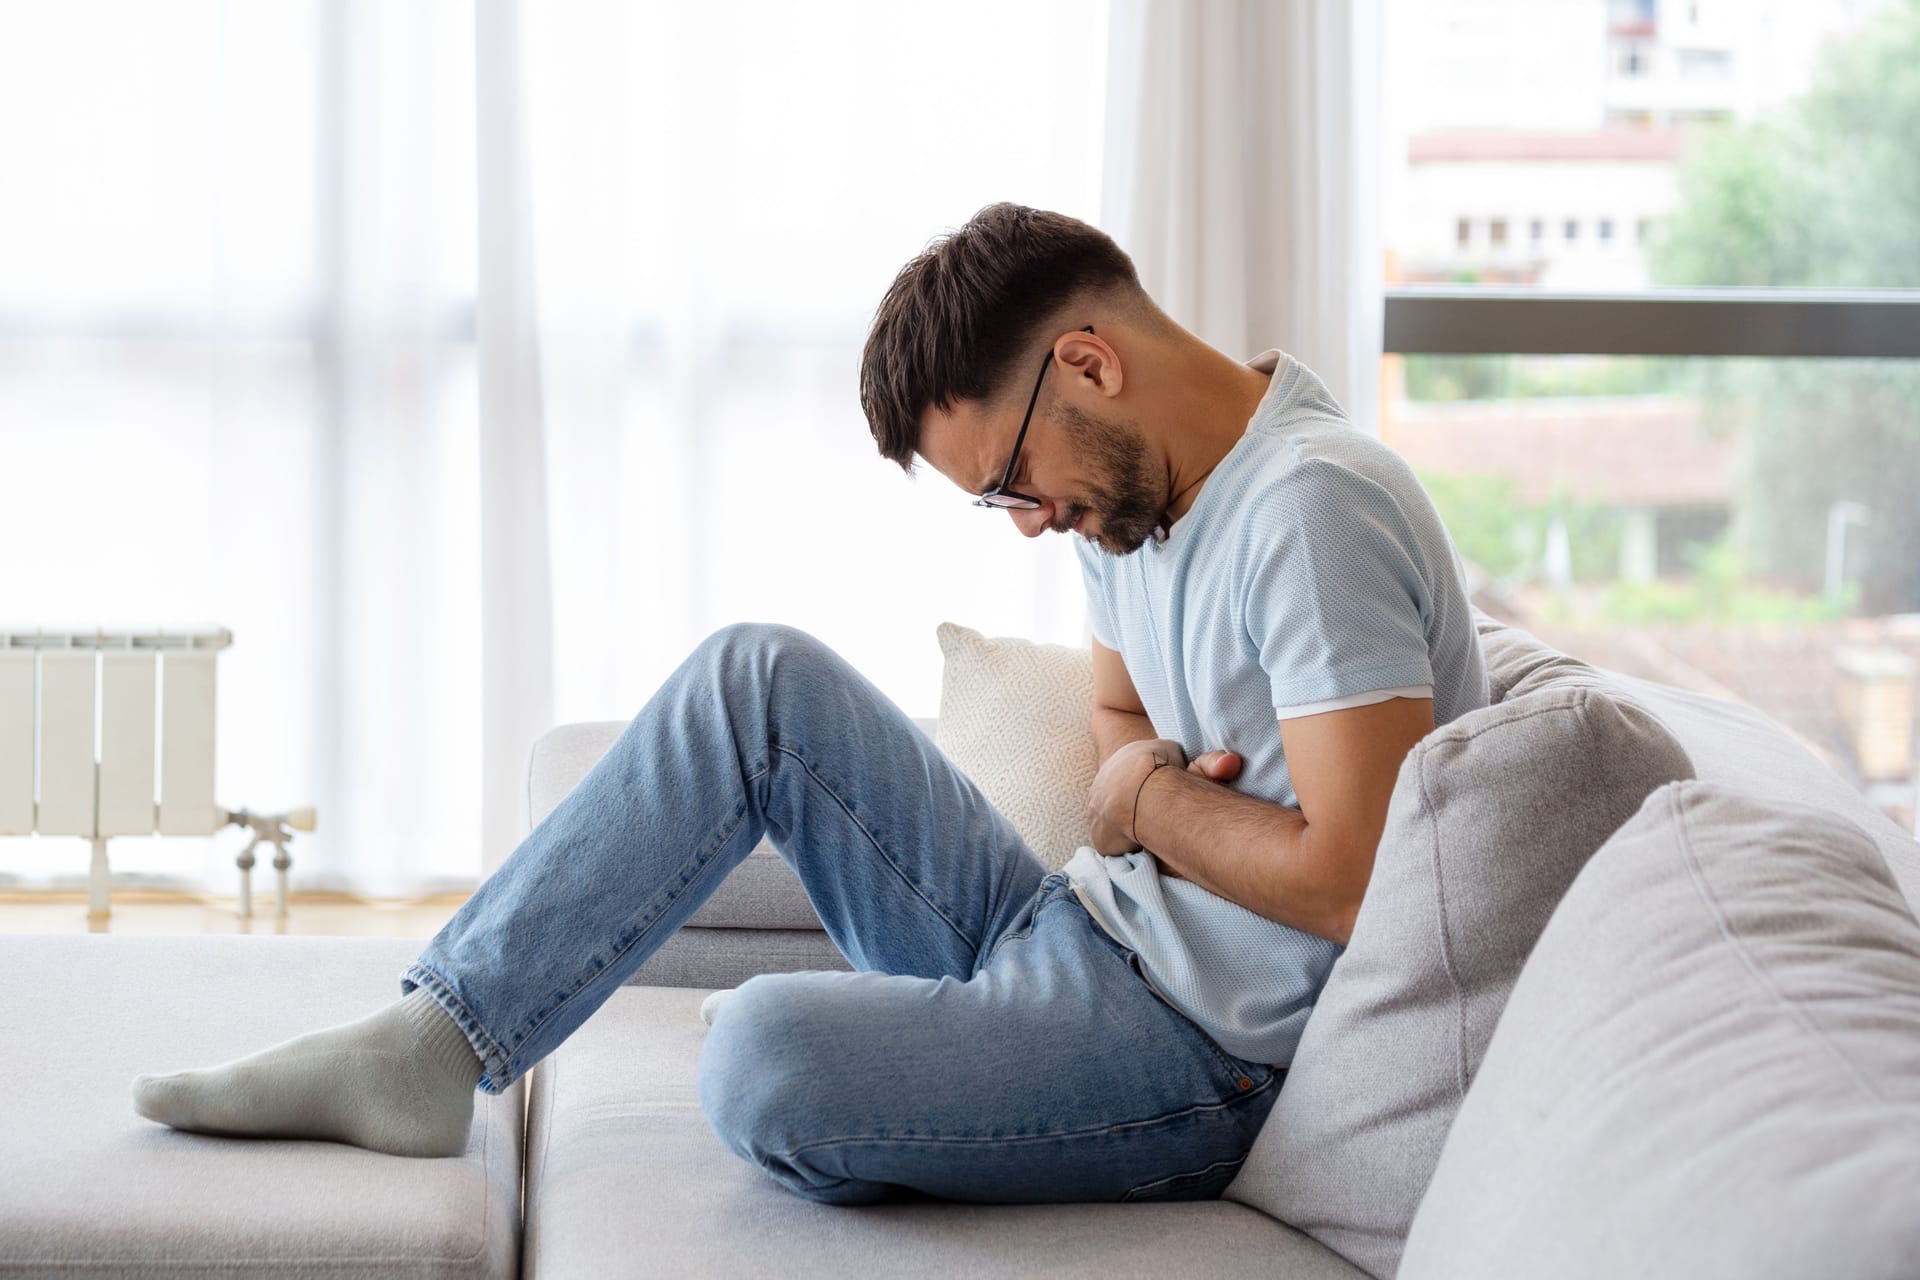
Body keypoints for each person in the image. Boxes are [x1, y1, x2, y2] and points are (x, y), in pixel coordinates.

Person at [131, 203, 1488, 1205]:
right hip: (1078, 934)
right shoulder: (1126, 514)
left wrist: (1149, 804)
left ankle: (892, 1051)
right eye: (995, 503)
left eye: (1012, 481)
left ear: (1088, 362)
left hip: (1200, 1055)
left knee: (764, 1062)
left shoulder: (1310, 511)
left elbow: (1358, 881)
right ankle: (430, 1044)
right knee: (755, 675)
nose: (1026, 527)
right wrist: (1139, 793)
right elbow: (1124, 731)